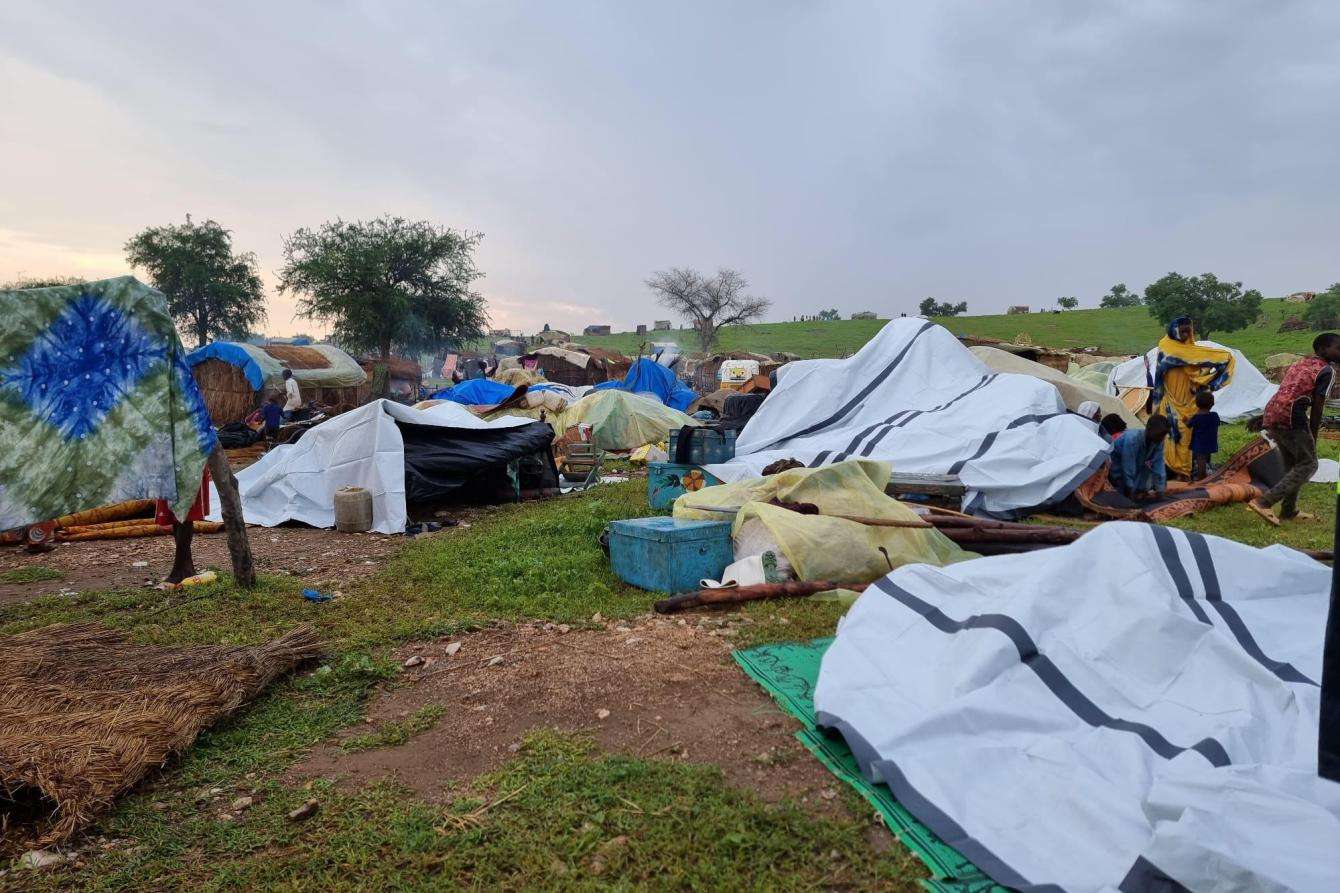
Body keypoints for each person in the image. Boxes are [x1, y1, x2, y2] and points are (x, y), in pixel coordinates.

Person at [1248, 332, 1340, 525]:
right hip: (1292, 417)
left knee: (1293, 465)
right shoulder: (1327, 370)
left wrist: (1265, 415)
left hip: (1274, 411)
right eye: (1338, 348)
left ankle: (1288, 510)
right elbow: (1318, 404)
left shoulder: (1300, 363)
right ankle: (1264, 502)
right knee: (1309, 464)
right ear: (1323, 349)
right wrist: (1313, 434)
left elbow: (1286, 390)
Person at [1150, 316, 1234, 479]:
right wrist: (1156, 403)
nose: (1185, 335)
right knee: (1174, 437)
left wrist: (1207, 383)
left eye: (1188, 331)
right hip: (1172, 403)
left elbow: (1225, 359)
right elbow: (1159, 377)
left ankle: (1189, 471)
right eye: (1182, 331)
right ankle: (1177, 471)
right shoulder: (1166, 347)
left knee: (1191, 438)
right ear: (1173, 330)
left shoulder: (1193, 351)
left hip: (1192, 402)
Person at [1109, 415, 1170, 500]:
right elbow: (1128, 465)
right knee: (1120, 493)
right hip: (1116, 461)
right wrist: (1130, 489)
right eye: (1160, 435)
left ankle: (1134, 491)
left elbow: (1158, 464)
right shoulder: (1132, 439)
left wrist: (1160, 490)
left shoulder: (1158, 441)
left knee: (1145, 472)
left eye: (1163, 435)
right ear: (1148, 429)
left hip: (1136, 462)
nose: (1161, 438)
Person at [1186, 390, 1220, 481]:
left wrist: (1185, 419)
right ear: (1212, 404)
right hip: (1211, 442)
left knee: (1201, 460)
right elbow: (1216, 424)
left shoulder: (1196, 418)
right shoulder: (1215, 416)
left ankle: (1201, 478)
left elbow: (1188, 425)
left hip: (1199, 444)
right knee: (1206, 458)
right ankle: (1206, 471)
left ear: (1196, 405)